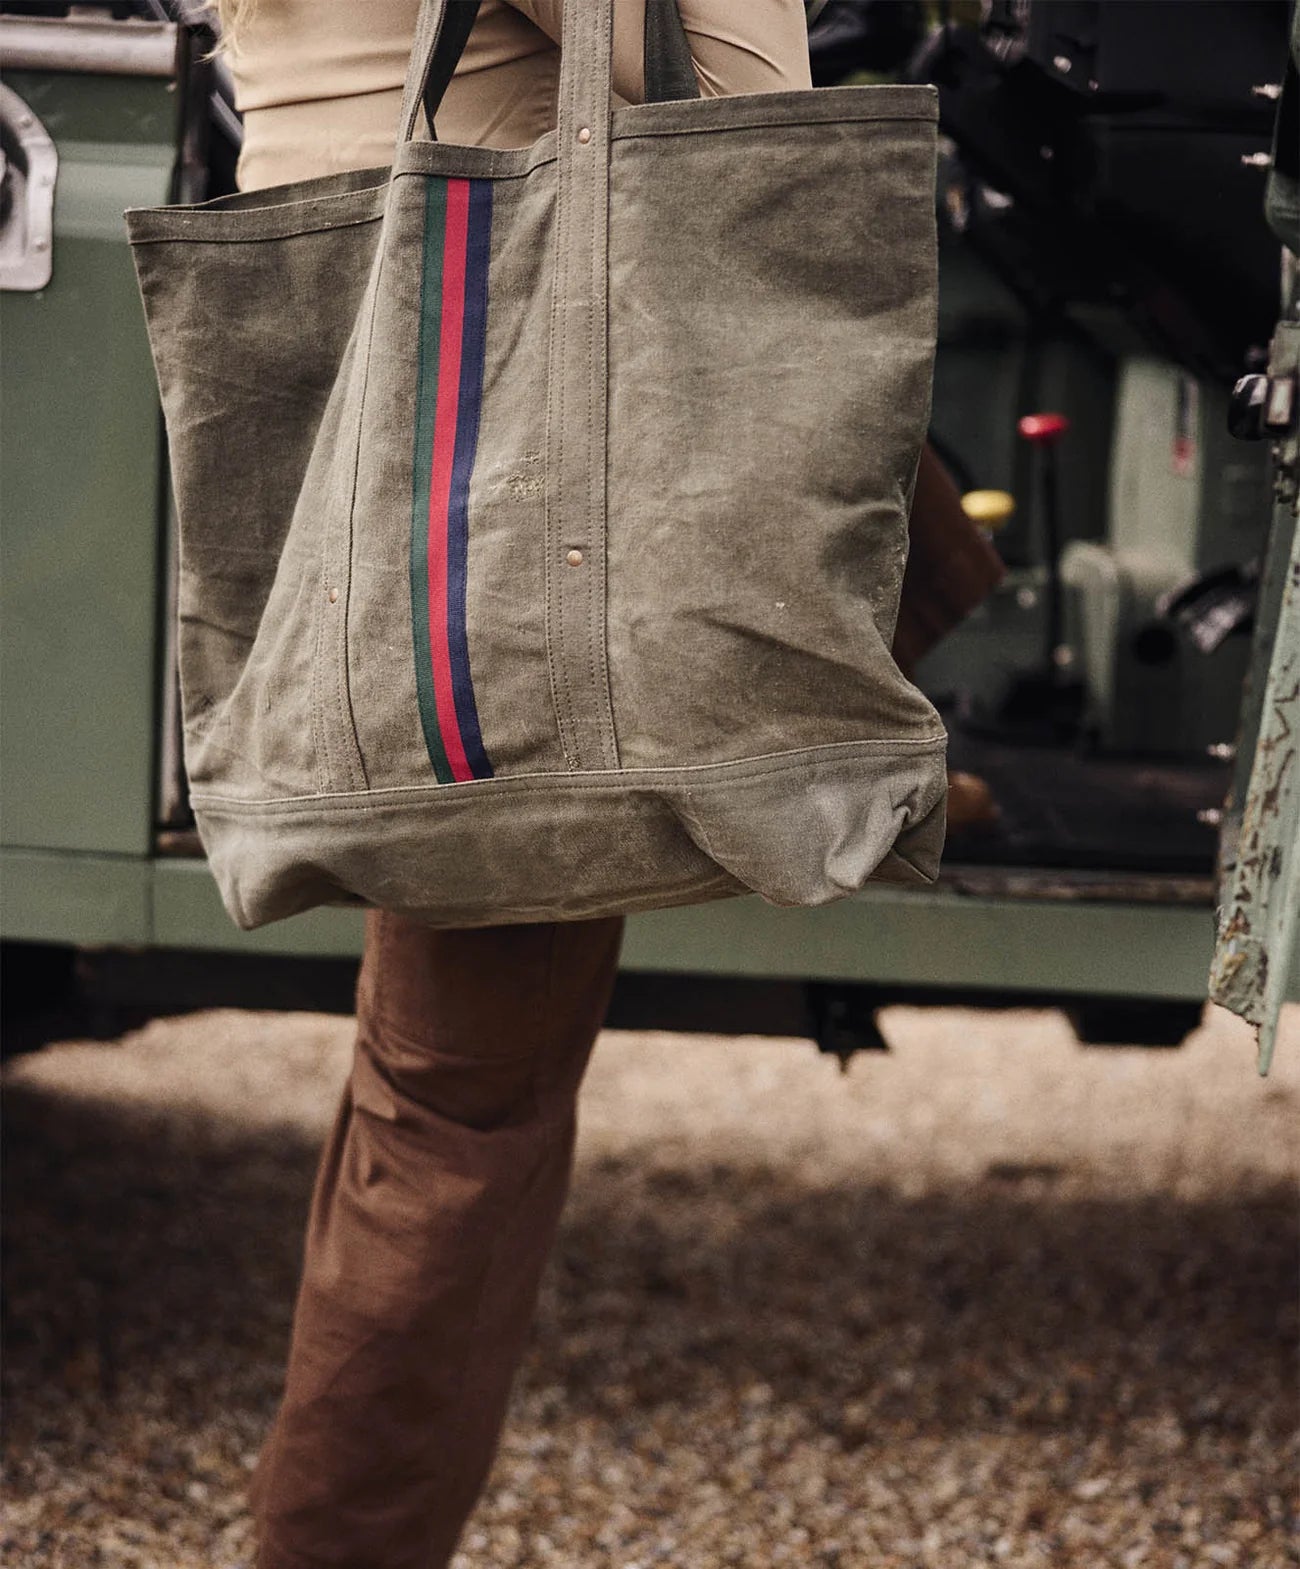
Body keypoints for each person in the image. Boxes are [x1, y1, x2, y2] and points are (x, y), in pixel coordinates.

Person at [220, 4, 1000, 1563]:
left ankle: (837, 725)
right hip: (499, 382)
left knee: (443, 1069)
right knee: (454, 1102)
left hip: (395, 335)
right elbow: (740, 112)